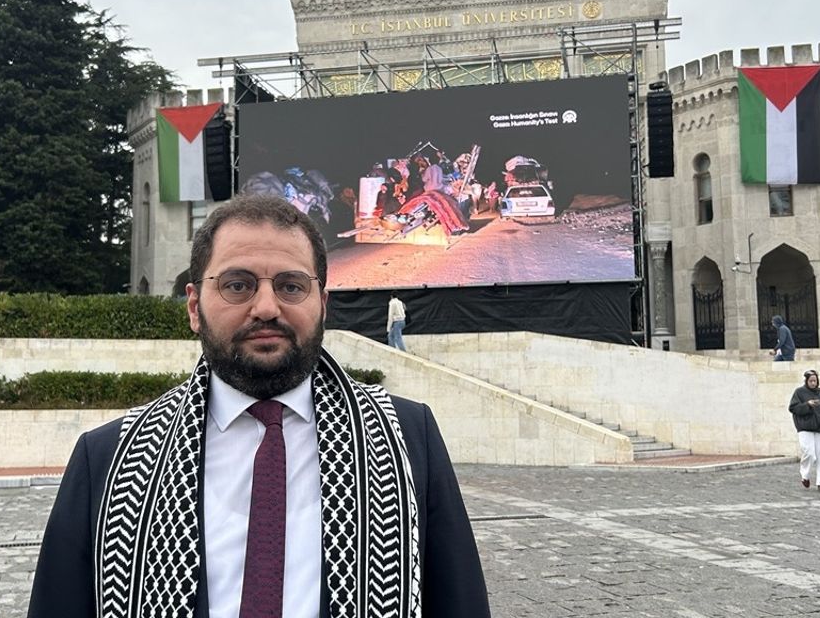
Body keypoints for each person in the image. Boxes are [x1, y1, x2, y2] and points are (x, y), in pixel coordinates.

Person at [27, 195, 489, 618]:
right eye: (237, 285)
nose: (267, 307)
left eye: (291, 287)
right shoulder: (109, 460)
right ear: (194, 306)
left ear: (322, 305)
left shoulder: (408, 439)